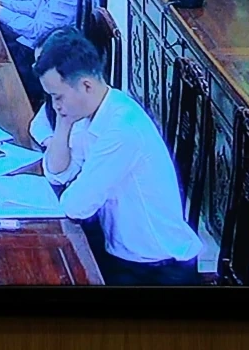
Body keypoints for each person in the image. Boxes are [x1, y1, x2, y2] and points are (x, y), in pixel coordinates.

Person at [31, 29, 202, 286]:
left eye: (58, 97)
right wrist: (63, 123)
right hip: (124, 257)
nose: (55, 105)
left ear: (86, 85)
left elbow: (77, 206)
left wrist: (70, 184)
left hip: (159, 271)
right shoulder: (89, 113)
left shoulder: (122, 128)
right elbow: (57, 174)